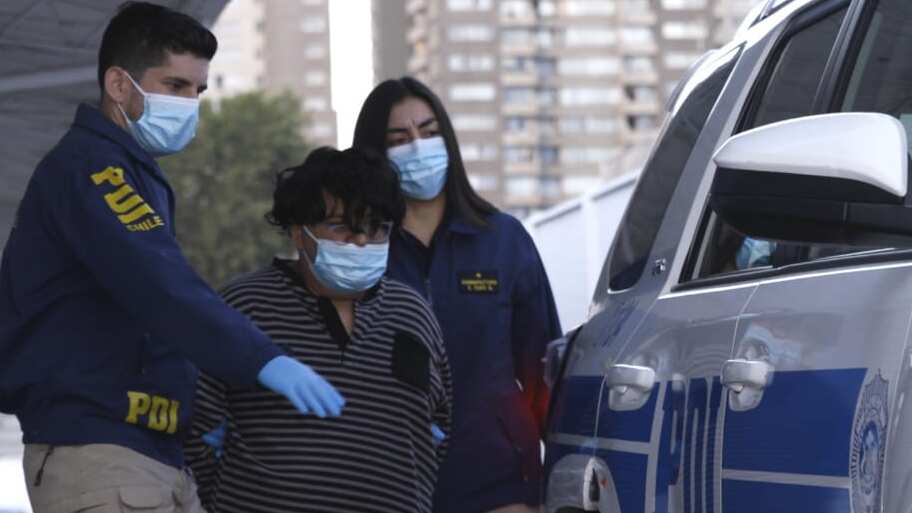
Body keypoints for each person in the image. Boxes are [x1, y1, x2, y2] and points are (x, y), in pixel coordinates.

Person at [0, 3, 343, 512]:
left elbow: (145, 316)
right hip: (100, 450)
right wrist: (261, 359)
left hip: (144, 451)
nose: (190, 105)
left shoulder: (127, 171)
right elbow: (161, 286)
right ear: (119, 85)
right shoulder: (93, 170)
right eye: (175, 86)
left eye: (198, 91)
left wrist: (193, 409)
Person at [185, 146, 452, 513]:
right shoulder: (243, 306)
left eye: (376, 228)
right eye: (342, 227)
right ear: (299, 232)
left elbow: (439, 427)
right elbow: (196, 430)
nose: (361, 242)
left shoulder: (413, 313)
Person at [353, 77, 562, 513]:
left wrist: (558, 474)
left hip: (499, 481)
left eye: (429, 133)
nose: (418, 147)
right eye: (399, 140)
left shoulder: (503, 239)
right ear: (375, 154)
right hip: (388, 483)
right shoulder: (358, 250)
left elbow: (545, 368)